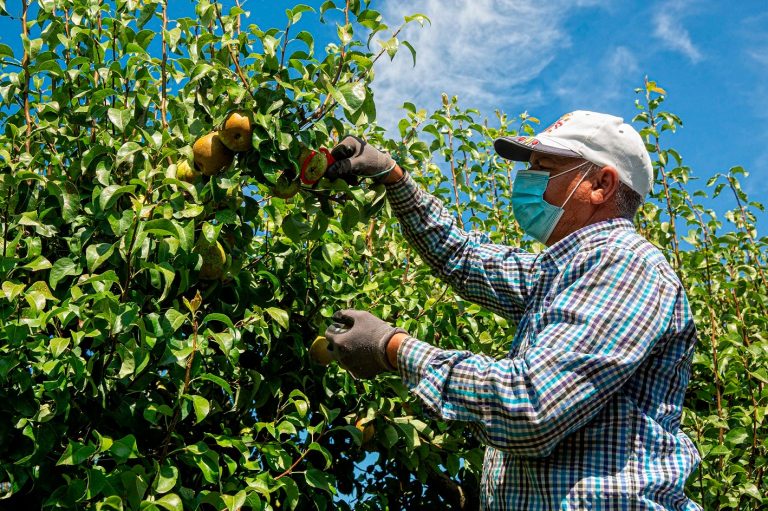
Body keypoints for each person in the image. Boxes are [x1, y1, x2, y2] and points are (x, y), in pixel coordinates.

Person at [323, 111, 702, 510]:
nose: (527, 179)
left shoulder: (624, 264)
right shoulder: (558, 272)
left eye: (544, 167)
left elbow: (532, 406)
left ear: (600, 184)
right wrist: (393, 177)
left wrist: (393, 347)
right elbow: (462, 257)